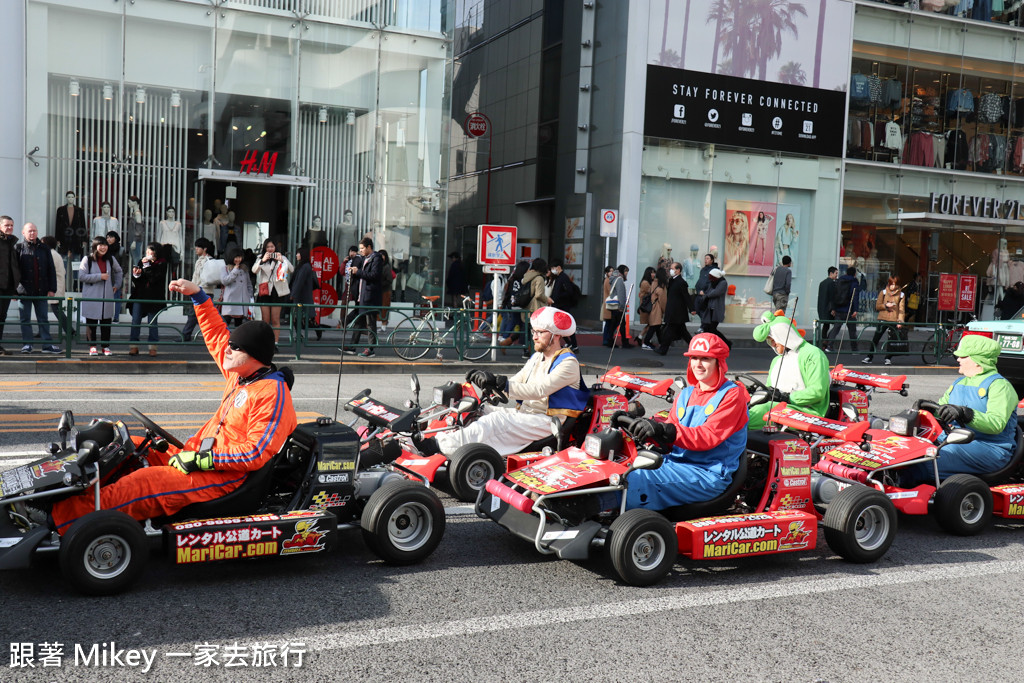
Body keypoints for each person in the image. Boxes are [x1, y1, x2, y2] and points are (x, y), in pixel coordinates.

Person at [50, 278, 297, 533]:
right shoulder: (241, 375)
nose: (227, 350)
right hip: (196, 456)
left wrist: (203, 460)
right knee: (121, 443)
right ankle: (58, 491)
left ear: (255, 355)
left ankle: (58, 519)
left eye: (235, 347)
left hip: (223, 476)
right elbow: (215, 334)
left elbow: (256, 453)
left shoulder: (272, 393)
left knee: (144, 482)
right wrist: (198, 296)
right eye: (230, 344)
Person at [415, 306, 588, 457]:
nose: (534, 337)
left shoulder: (568, 362)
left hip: (547, 421)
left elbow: (539, 390)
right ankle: (427, 434)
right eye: (533, 331)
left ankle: (437, 446)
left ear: (556, 336)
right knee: (477, 409)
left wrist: (503, 385)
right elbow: (517, 380)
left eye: (540, 333)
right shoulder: (537, 357)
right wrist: (492, 384)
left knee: (496, 421)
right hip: (527, 415)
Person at [624, 334, 750, 509]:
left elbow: (708, 436)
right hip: (674, 464)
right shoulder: (686, 394)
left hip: (707, 474)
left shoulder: (732, 395)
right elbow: (668, 437)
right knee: (618, 467)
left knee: (633, 479)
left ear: (719, 362)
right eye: (694, 358)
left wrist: (664, 430)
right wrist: (637, 428)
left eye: (705, 359)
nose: (698, 364)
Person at [901, 335, 1018, 485]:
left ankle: (898, 497)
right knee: (906, 452)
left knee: (924, 461)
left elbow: (996, 424)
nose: (958, 359)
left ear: (978, 359)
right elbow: (943, 409)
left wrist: (966, 414)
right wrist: (929, 409)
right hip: (954, 440)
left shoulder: (1000, 386)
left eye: (962, 356)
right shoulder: (959, 382)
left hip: (990, 447)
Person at [748, 311, 830, 429]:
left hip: (807, 411)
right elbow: (768, 390)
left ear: (783, 334)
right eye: (769, 340)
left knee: (757, 413)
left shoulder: (813, 354)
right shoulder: (776, 360)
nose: (772, 343)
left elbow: (817, 391)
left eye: (773, 338)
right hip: (781, 408)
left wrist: (786, 397)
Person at [15, 223, 61, 354]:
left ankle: (47, 345)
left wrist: (52, 288)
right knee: (25, 319)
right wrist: (15, 291)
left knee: (43, 318)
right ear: (23, 233)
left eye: (34, 231)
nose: (32, 233)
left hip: (41, 289)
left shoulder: (44, 248)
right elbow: (15, 271)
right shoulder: (18, 248)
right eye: (29, 231)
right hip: (24, 290)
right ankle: (27, 344)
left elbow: (51, 269)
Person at [79, 236, 124, 356]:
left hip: (106, 296)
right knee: (91, 323)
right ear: (95, 246)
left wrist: (117, 285)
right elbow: (81, 276)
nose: (103, 247)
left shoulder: (111, 259)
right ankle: (92, 346)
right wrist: (99, 276)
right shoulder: (87, 259)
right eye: (100, 245)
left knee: (106, 323)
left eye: (105, 245)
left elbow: (119, 271)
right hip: (92, 296)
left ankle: (105, 346)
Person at [128, 242, 167, 357]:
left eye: (151, 251)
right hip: (139, 295)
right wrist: (136, 275)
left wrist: (146, 267)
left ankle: (153, 347)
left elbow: (154, 279)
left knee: (152, 322)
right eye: (147, 252)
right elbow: (137, 281)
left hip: (154, 297)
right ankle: (133, 346)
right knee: (135, 320)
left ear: (156, 252)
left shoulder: (162, 263)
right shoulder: (142, 261)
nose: (148, 254)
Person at [346, 237, 383, 357]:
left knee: (370, 323)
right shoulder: (364, 258)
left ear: (369, 247)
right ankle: (352, 347)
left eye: (362, 248)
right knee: (359, 321)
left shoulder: (376, 258)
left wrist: (359, 272)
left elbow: (375, 275)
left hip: (370, 296)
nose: (360, 250)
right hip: (362, 295)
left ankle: (371, 349)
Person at [251, 238, 293, 343]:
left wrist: (282, 260)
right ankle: (265, 343)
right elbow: (254, 270)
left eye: (272, 247)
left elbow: (291, 269)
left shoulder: (282, 257)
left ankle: (275, 343)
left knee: (275, 319)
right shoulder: (260, 257)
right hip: (265, 291)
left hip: (277, 291)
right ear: (265, 248)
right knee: (265, 320)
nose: (270, 249)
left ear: (275, 248)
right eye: (268, 247)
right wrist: (262, 261)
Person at [863, 276, 905, 366]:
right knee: (876, 338)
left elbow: (901, 309)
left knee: (891, 340)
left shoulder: (901, 295)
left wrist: (900, 320)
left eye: (895, 284)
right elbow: (877, 306)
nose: (893, 286)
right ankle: (869, 356)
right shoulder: (884, 292)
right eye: (891, 284)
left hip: (894, 320)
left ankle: (888, 358)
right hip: (882, 318)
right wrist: (886, 305)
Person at [180, 237, 215, 342]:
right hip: (198, 291)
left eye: (198, 247)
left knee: (199, 316)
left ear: (204, 249)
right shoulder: (200, 260)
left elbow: (204, 278)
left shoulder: (209, 261)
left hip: (203, 291)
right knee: (197, 316)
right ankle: (187, 335)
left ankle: (186, 335)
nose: (195, 249)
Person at [655, 261, 694, 355]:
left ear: (678, 270)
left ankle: (663, 349)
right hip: (672, 310)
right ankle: (695, 346)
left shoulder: (681, 282)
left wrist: (692, 308)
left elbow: (686, 296)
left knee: (669, 331)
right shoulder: (672, 280)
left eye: (672, 269)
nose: (670, 270)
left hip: (677, 312)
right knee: (683, 332)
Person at [827, 266, 861, 352]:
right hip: (849, 310)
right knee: (852, 331)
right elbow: (855, 297)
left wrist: (834, 308)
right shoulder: (854, 282)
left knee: (836, 328)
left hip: (839, 309)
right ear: (854, 274)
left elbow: (834, 295)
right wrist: (855, 309)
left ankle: (829, 346)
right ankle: (854, 349)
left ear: (846, 273)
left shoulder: (839, 281)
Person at [0, 216, 21, 354]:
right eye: (7, 225)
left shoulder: (11, 243)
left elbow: (13, 267)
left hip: (6, 288)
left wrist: (14, 289)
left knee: (2, 317)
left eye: (12, 225)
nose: (10, 228)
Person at [548, 260, 578, 352]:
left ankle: (574, 344)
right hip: (559, 305)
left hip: (562, 305)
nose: (553, 270)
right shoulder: (559, 277)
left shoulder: (563, 277)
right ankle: (570, 343)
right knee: (559, 326)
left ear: (559, 267)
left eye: (554, 268)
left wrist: (557, 298)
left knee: (564, 325)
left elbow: (569, 291)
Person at [289, 247, 320, 339]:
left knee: (304, 318)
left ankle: (317, 328)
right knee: (297, 318)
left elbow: (299, 282)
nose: (296, 255)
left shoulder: (305, 266)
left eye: (298, 253)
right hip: (301, 295)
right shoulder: (302, 266)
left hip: (301, 295)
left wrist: (293, 295)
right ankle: (299, 335)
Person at [498, 260, 530, 348]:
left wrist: (504, 303)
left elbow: (508, 292)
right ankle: (505, 339)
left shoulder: (513, 279)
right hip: (520, 305)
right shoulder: (523, 280)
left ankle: (506, 340)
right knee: (519, 324)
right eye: (528, 269)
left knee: (517, 323)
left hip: (512, 304)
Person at [697, 268, 731, 348]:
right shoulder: (712, 283)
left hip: (716, 309)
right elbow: (708, 291)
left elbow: (716, 292)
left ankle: (726, 343)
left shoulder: (723, 282)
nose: (710, 278)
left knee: (712, 329)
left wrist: (706, 295)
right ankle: (711, 344)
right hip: (709, 309)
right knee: (707, 328)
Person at [221, 247, 251, 328]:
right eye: (236, 257)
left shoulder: (244, 269)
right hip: (230, 299)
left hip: (242, 300)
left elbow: (248, 284)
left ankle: (237, 340)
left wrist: (250, 296)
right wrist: (234, 271)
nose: (238, 259)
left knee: (239, 325)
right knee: (226, 323)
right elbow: (225, 281)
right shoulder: (226, 268)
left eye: (240, 257)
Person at [603, 265, 632, 348]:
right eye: (625, 271)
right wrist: (622, 306)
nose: (626, 273)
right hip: (618, 306)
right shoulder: (619, 280)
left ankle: (610, 340)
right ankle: (624, 342)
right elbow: (621, 294)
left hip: (614, 305)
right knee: (621, 324)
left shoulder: (613, 279)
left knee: (614, 323)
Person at [642, 269, 668, 350]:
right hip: (657, 308)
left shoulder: (654, 282)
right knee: (654, 326)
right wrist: (665, 310)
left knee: (657, 327)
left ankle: (662, 343)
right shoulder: (661, 286)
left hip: (653, 307)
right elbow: (663, 300)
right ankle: (646, 342)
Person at [106, 231, 129, 322]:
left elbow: (125, 266)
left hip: (116, 278)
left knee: (117, 298)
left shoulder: (120, 250)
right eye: (107, 237)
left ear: (116, 238)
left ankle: (116, 317)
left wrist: (119, 276)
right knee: (106, 298)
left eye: (111, 237)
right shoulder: (105, 249)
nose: (109, 239)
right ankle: (106, 316)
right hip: (106, 277)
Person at [817, 266, 839, 350]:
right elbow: (832, 297)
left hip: (822, 308)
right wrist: (833, 309)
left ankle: (824, 342)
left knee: (826, 326)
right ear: (831, 273)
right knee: (836, 324)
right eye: (836, 273)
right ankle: (826, 341)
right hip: (829, 309)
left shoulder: (822, 283)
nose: (837, 275)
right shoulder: (832, 283)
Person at [637, 266, 656, 346]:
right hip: (646, 307)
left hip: (648, 307)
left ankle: (641, 337)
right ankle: (643, 338)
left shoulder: (648, 282)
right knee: (651, 324)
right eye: (652, 272)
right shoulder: (645, 283)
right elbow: (652, 291)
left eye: (654, 272)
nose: (653, 274)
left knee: (651, 324)